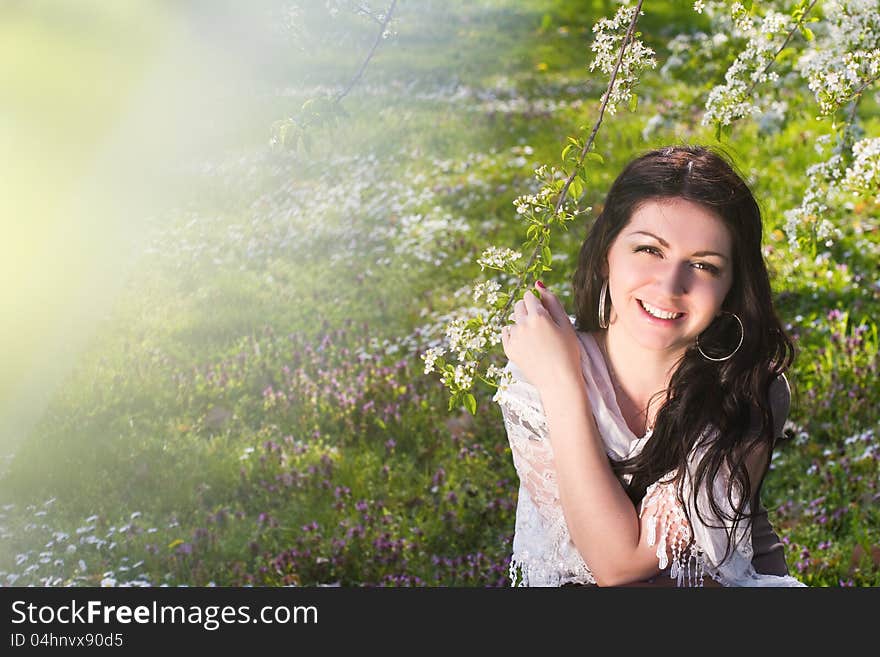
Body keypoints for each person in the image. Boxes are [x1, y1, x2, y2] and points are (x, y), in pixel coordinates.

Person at [495, 145, 805, 587]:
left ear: (732, 288)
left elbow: (621, 567)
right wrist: (557, 376)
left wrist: (561, 385)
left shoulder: (749, 385)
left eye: (703, 265)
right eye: (649, 250)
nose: (669, 285)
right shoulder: (537, 370)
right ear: (607, 253)